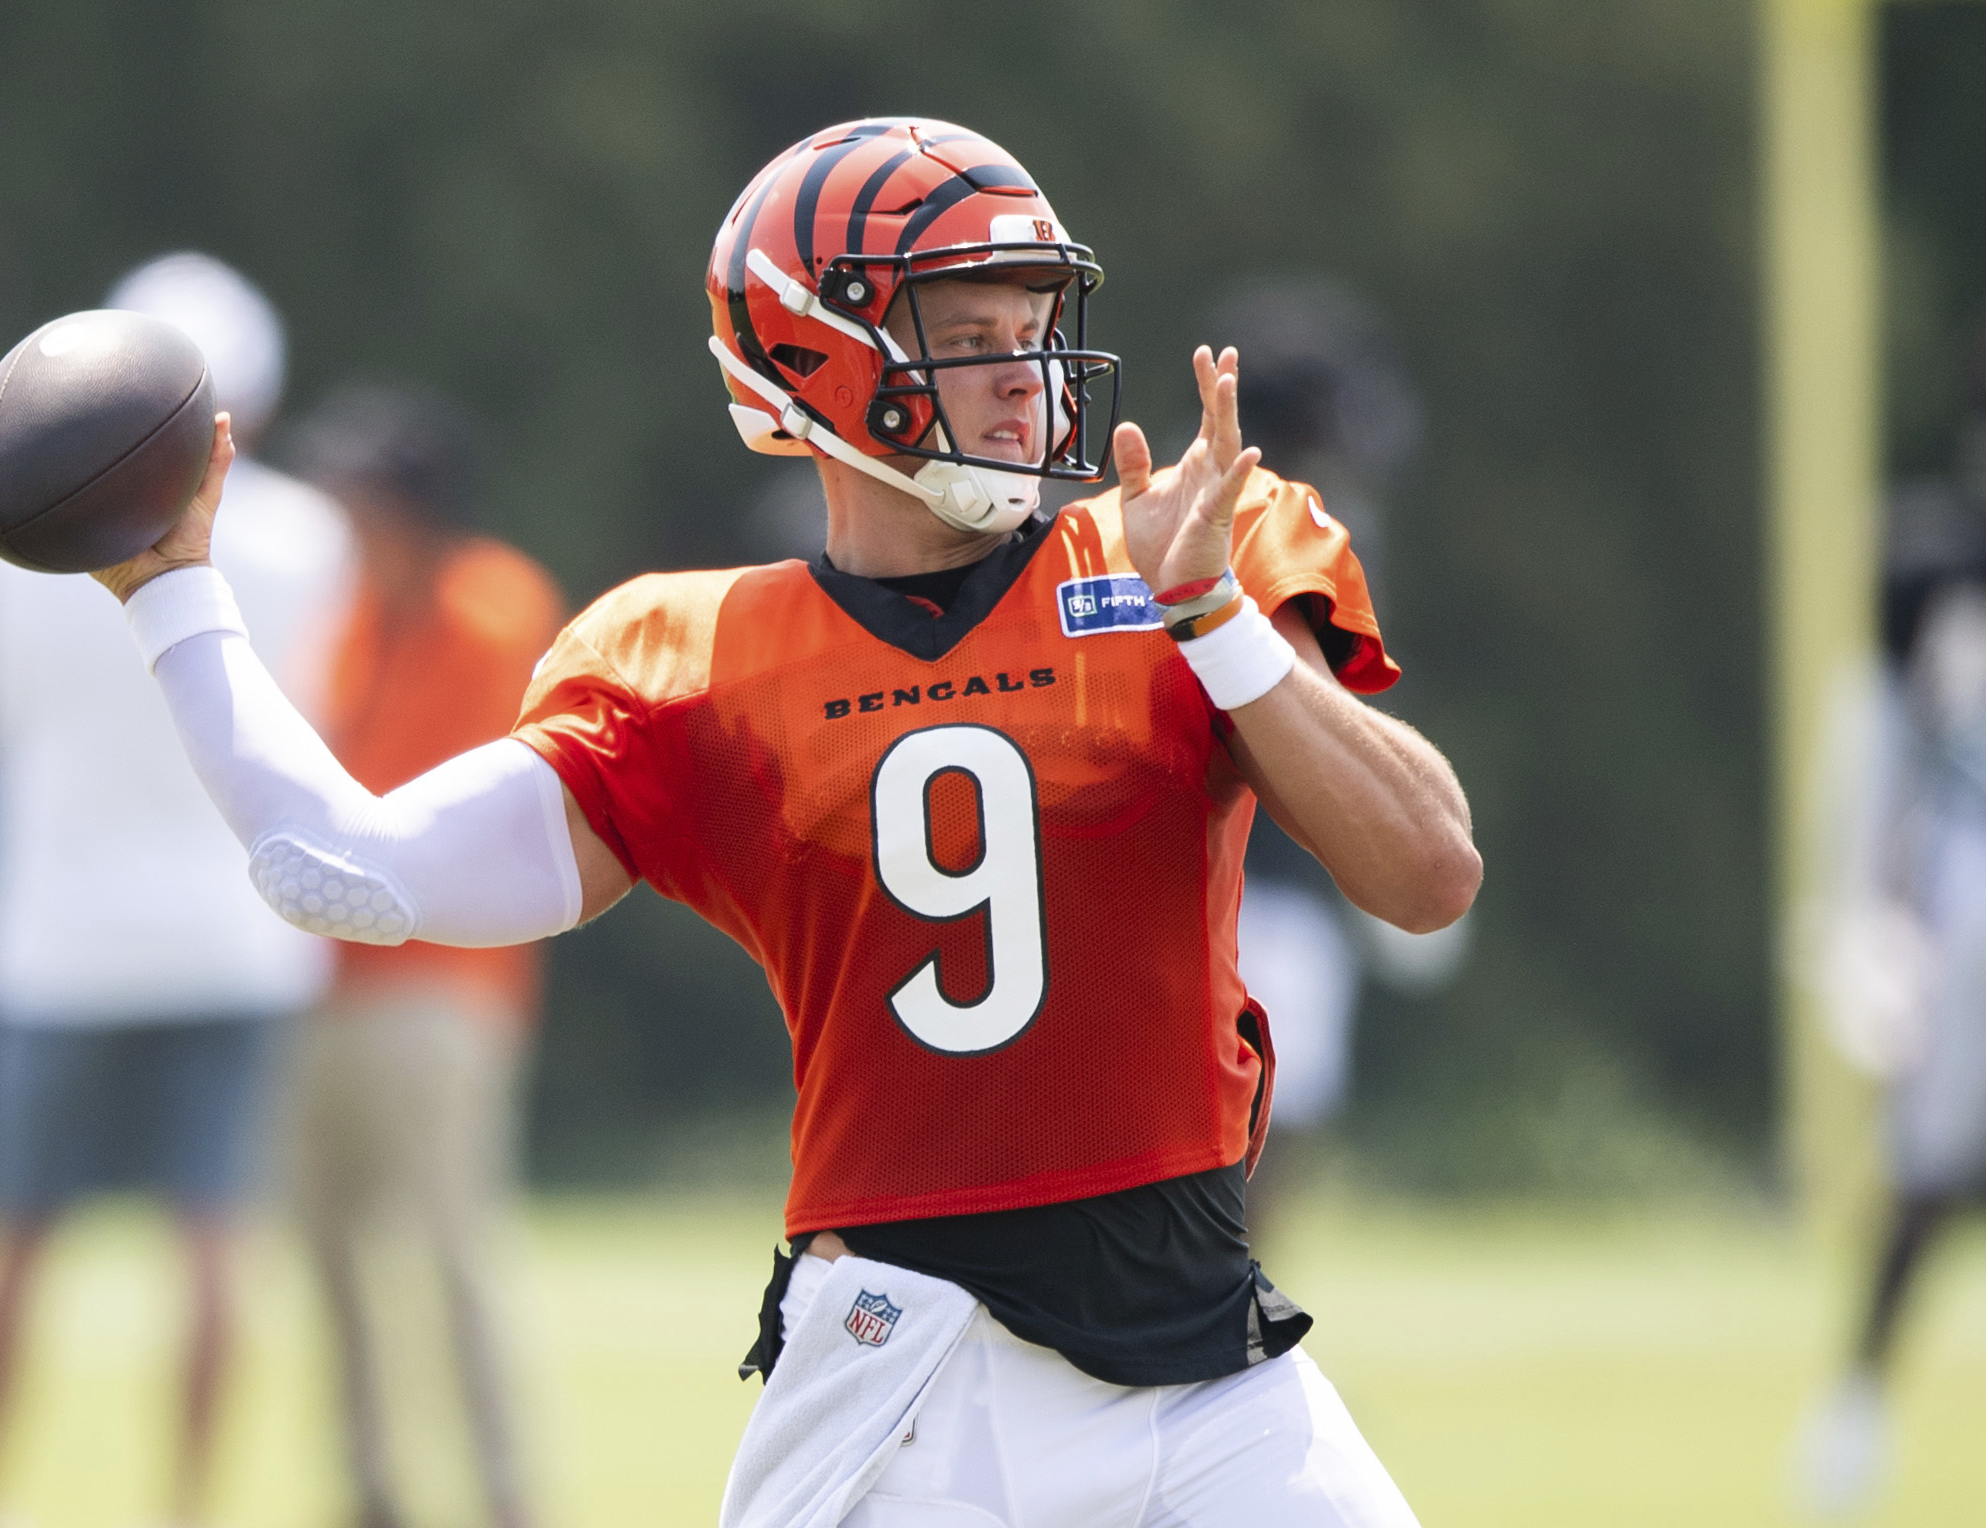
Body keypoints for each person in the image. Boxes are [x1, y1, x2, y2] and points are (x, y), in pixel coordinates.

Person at [83, 119, 1479, 1523]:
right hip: (913, 1384)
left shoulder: (1182, 549)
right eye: (969, 326)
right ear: (820, 355)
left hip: (1211, 1369)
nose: (1023, 370)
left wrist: (1215, 620)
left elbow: (1428, 875)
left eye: (1032, 321)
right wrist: (174, 597)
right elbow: (349, 871)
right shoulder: (694, 658)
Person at [0, 252, 352, 1528]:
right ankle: (188, 1508)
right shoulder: (306, 537)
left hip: (46, 935)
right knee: (216, 1239)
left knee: (10, 1235)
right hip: (238, 929)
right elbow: (308, 729)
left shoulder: (4, 540)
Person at [1799, 288, 1986, 1516]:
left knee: (1969, 1179)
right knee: (1930, 1174)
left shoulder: (1928, 547)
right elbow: (1879, 748)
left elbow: (1869, 754)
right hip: (1971, 890)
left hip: (1980, 885)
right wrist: (1855, 908)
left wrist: (1848, 905)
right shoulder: (1934, 554)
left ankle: (1917, 1420)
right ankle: (1857, 1412)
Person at [279, 385, 564, 1528]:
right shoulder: (333, 612)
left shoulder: (494, 607)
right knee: (328, 1252)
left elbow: (400, 790)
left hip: (446, 982)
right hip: (322, 983)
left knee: (454, 1250)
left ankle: (504, 1495)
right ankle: (370, 1491)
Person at [1206, 280, 1472, 1237]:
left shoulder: (1307, 520)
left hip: (1279, 878)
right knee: (1257, 1135)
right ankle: (1214, 1306)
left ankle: (1221, 1303)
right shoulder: (1254, 523)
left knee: (1270, 1130)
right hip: (1244, 874)